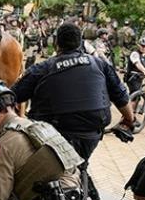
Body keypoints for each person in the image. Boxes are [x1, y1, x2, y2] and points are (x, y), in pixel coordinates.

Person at [12, 22, 133, 165]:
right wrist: (128, 119)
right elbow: (121, 97)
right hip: (91, 134)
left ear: (57, 44)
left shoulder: (42, 68)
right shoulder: (100, 64)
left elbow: (14, 95)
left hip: (52, 135)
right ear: (80, 43)